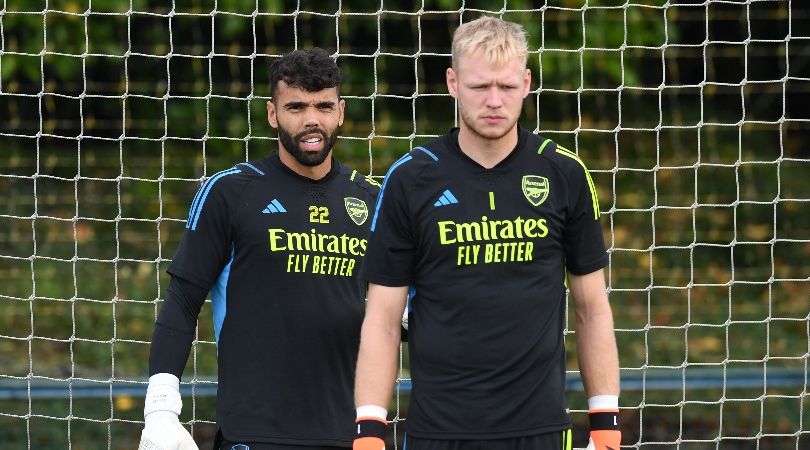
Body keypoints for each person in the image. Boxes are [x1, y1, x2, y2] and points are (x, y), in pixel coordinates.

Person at [352, 16, 621, 450]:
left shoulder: (565, 173)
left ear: (527, 82)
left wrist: (606, 418)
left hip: (541, 431)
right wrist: (369, 426)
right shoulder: (410, 178)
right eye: (480, 87)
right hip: (439, 432)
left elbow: (592, 308)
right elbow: (383, 317)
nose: (494, 101)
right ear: (453, 82)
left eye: (507, 86)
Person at [138, 48, 380, 450]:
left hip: (348, 434)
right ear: (272, 114)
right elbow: (182, 299)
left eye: (323, 106)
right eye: (296, 106)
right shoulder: (231, 192)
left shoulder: (371, 200)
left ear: (341, 112)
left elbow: (390, 313)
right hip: (253, 434)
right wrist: (160, 407)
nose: (311, 120)